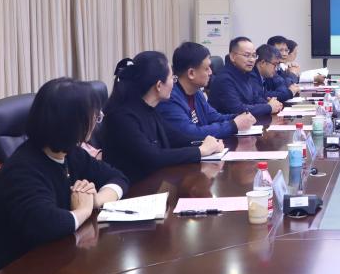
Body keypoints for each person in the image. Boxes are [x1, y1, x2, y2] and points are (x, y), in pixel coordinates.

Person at [0, 78, 129, 274]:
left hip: (53, 260)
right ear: (72, 124)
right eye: (93, 116)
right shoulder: (21, 171)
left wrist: (95, 200)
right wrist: (83, 210)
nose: (95, 121)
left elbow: (118, 178)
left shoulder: (71, 154)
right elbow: (48, 225)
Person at [102, 52, 225, 183]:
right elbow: (153, 157)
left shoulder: (148, 109)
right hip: (132, 190)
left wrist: (208, 142)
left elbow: (176, 137)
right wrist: (200, 151)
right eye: (172, 78)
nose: (174, 83)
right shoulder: (122, 117)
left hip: (153, 184)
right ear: (159, 85)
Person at [157, 42, 256, 145]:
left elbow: (213, 117)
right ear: (191, 73)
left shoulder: (196, 92)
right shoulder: (169, 99)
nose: (210, 72)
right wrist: (233, 125)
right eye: (207, 68)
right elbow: (190, 134)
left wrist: (239, 117)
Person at [208, 37, 285, 116]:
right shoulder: (224, 79)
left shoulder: (244, 73)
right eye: (247, 55)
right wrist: (269, 107)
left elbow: (254, 98)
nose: (251, 60)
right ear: (233, 57)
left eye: (254, 56)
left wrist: (270, 103)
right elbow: (238, 109)